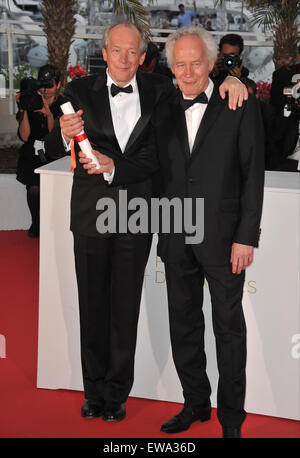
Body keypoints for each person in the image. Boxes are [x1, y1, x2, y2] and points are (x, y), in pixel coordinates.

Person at [45, 22, 247, 423]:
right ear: (103, 54)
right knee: (92, 304)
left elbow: (195, 80)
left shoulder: (160, 91)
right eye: (116, 51)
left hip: (138, 213)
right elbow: (53, 144)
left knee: (125, 307)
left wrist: (231, 80)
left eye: (131, 52)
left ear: (143, 57)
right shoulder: (79, 93)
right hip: (91, 215)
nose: (123, 59)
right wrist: (63, 133)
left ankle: (118, 392)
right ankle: (93, 390)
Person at [151, 26, 264, 438]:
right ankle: (195, 403)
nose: (188, 71)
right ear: (170, 67)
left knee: (228, 331)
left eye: (196, 62)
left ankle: (231, 420)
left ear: (212, 63)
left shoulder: (238, 101)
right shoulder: (161, 103)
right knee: (183, 325)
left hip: (224, 239)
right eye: (179, 63)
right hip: (175, 235)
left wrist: (246, 236)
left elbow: (253, 174)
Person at [16, 64, 63, 237]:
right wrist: (24, 109)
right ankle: (37, 223)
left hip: (55, 155)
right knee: (34, 189)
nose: (45, 90)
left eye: (49, 85)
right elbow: (25, 136)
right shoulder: (31, 100)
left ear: (58, 85)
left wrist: (49, 113)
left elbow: (56, 136)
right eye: (42, 85)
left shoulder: (63, 104)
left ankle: (53, 224)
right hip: (33, 156)